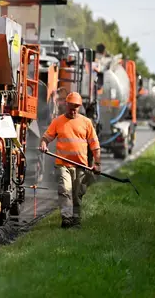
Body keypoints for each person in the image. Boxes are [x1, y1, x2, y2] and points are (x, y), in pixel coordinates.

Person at [38, 92, 101, 229]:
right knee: (65, 190)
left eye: (76, 107)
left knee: (77, 194)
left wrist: (97, 163)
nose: (74, 110)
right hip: (63, 165)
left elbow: (95, 146)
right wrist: (44, 144)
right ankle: (66, 219)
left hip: (80, 166)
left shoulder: (86, 123)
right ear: (66, 105)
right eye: (72, 106)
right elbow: (46, 137)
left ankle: (76, 221)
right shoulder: (58, 121)